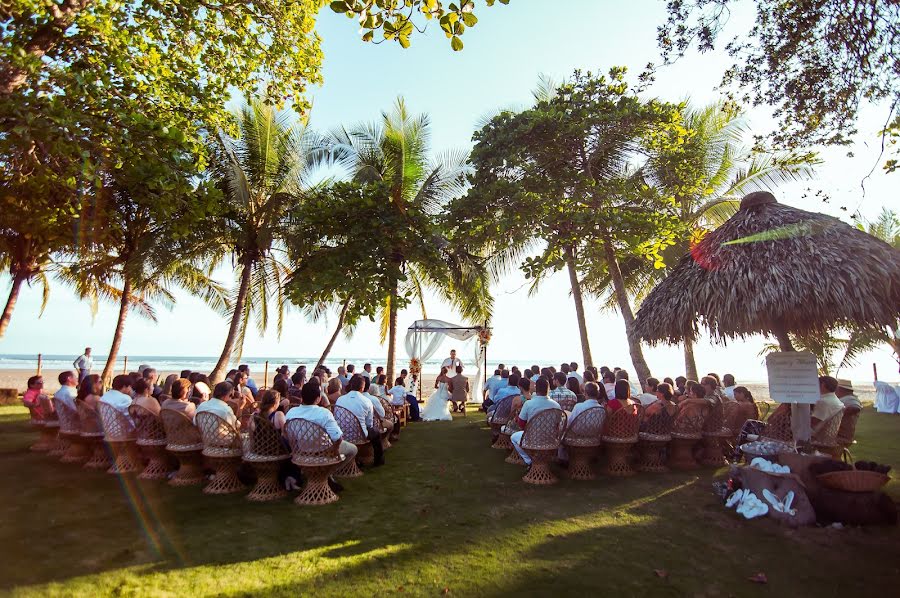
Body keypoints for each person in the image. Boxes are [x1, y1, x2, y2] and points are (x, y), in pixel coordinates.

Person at [285, 381, 358, 477]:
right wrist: (334, 451)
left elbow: (288, 435)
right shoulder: (324, 413)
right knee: (353, 449)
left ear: (302, 397)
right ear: (318, 398)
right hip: (324, 452)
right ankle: (328, 473)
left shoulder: (291, 413)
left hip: (301, 452)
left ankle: (322, 474)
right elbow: (338, 438)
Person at [510, 377, 562, 466]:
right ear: (548, 389)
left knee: (514, 437)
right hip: (551, 439)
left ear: (536, 388)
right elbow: (557, 425)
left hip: (532, 439)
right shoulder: (556, 405)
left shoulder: (529, 404)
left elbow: (521, 424)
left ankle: (529, 461)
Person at [335, 375, 383, 466]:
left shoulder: (340, 399)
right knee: (375, 432)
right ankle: (378, 461)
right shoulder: (366, 401)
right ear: (363, 387)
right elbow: (369, 424)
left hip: (342, 433)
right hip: (360, 434)